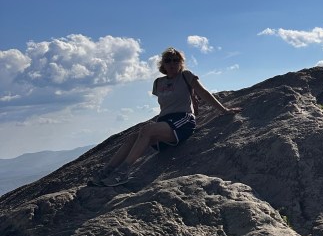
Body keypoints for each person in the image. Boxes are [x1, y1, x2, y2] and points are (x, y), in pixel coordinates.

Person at [93, 47, 238, 186]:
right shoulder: (158, 83)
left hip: (183, 121)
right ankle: (106, 172)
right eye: (168, 60)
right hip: (164, 123)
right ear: (163, 64)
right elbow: (167, 103)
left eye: (176, 60)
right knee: (132, 137)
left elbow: (204, 93)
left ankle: (122, 173)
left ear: (181, 63)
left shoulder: (186, 76)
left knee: (147, 130)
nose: (172, 64)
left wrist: (224, 110)